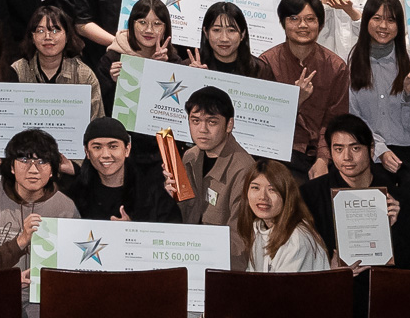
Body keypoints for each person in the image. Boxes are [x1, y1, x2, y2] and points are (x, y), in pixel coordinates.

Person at [0, 129, 77, 318]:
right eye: (24, 160)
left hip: (45, 301)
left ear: (53, 170)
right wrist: (21, 240)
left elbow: (72, 269)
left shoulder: (66, 207)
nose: (33, 169)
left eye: (42, 161)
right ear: (11, 166)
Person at [304, 113, 404, 266]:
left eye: (355, 148)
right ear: (330, 152)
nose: (347, 157)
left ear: (371, 149)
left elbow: (407, 261)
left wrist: (393, 228)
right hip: (330, 282)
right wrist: (328, 270)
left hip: (380, 282)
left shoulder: (393, 198)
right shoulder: (310, 195)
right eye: (338, 149)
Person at [259, 0, 345, 163]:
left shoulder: (336, 67)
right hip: (277, 150)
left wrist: (322, 159)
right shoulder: (267, 63)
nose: (302, 25)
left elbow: (335, 122)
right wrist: (294, 101)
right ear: (283, 24)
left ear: (320, 25)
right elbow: (263, 119)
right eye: (294, 19)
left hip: (321, 153)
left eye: (310, 19)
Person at [223, 161, 333, 278]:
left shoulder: (296, 238)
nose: (263, 197)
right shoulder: (258, 226)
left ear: (287, 195)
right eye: (255, 188)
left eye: (272, 189)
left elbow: (280, 292)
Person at [170, 87, 261, 227]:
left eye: (212, 122)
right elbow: (184, 213)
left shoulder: (243, 168)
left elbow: (240, 235)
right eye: (195, 121)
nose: (202, 129)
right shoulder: (190, 156)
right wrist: (172, 195)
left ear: (229, 125)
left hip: (221, 246)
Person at [67, 114, 182, 224]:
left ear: (127, 149)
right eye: (97, 147)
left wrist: (131, 230)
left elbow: (173, 235)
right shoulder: (75, 194)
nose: (105, 154)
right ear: (87, 152)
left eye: (113, 146)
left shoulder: (153, 194)